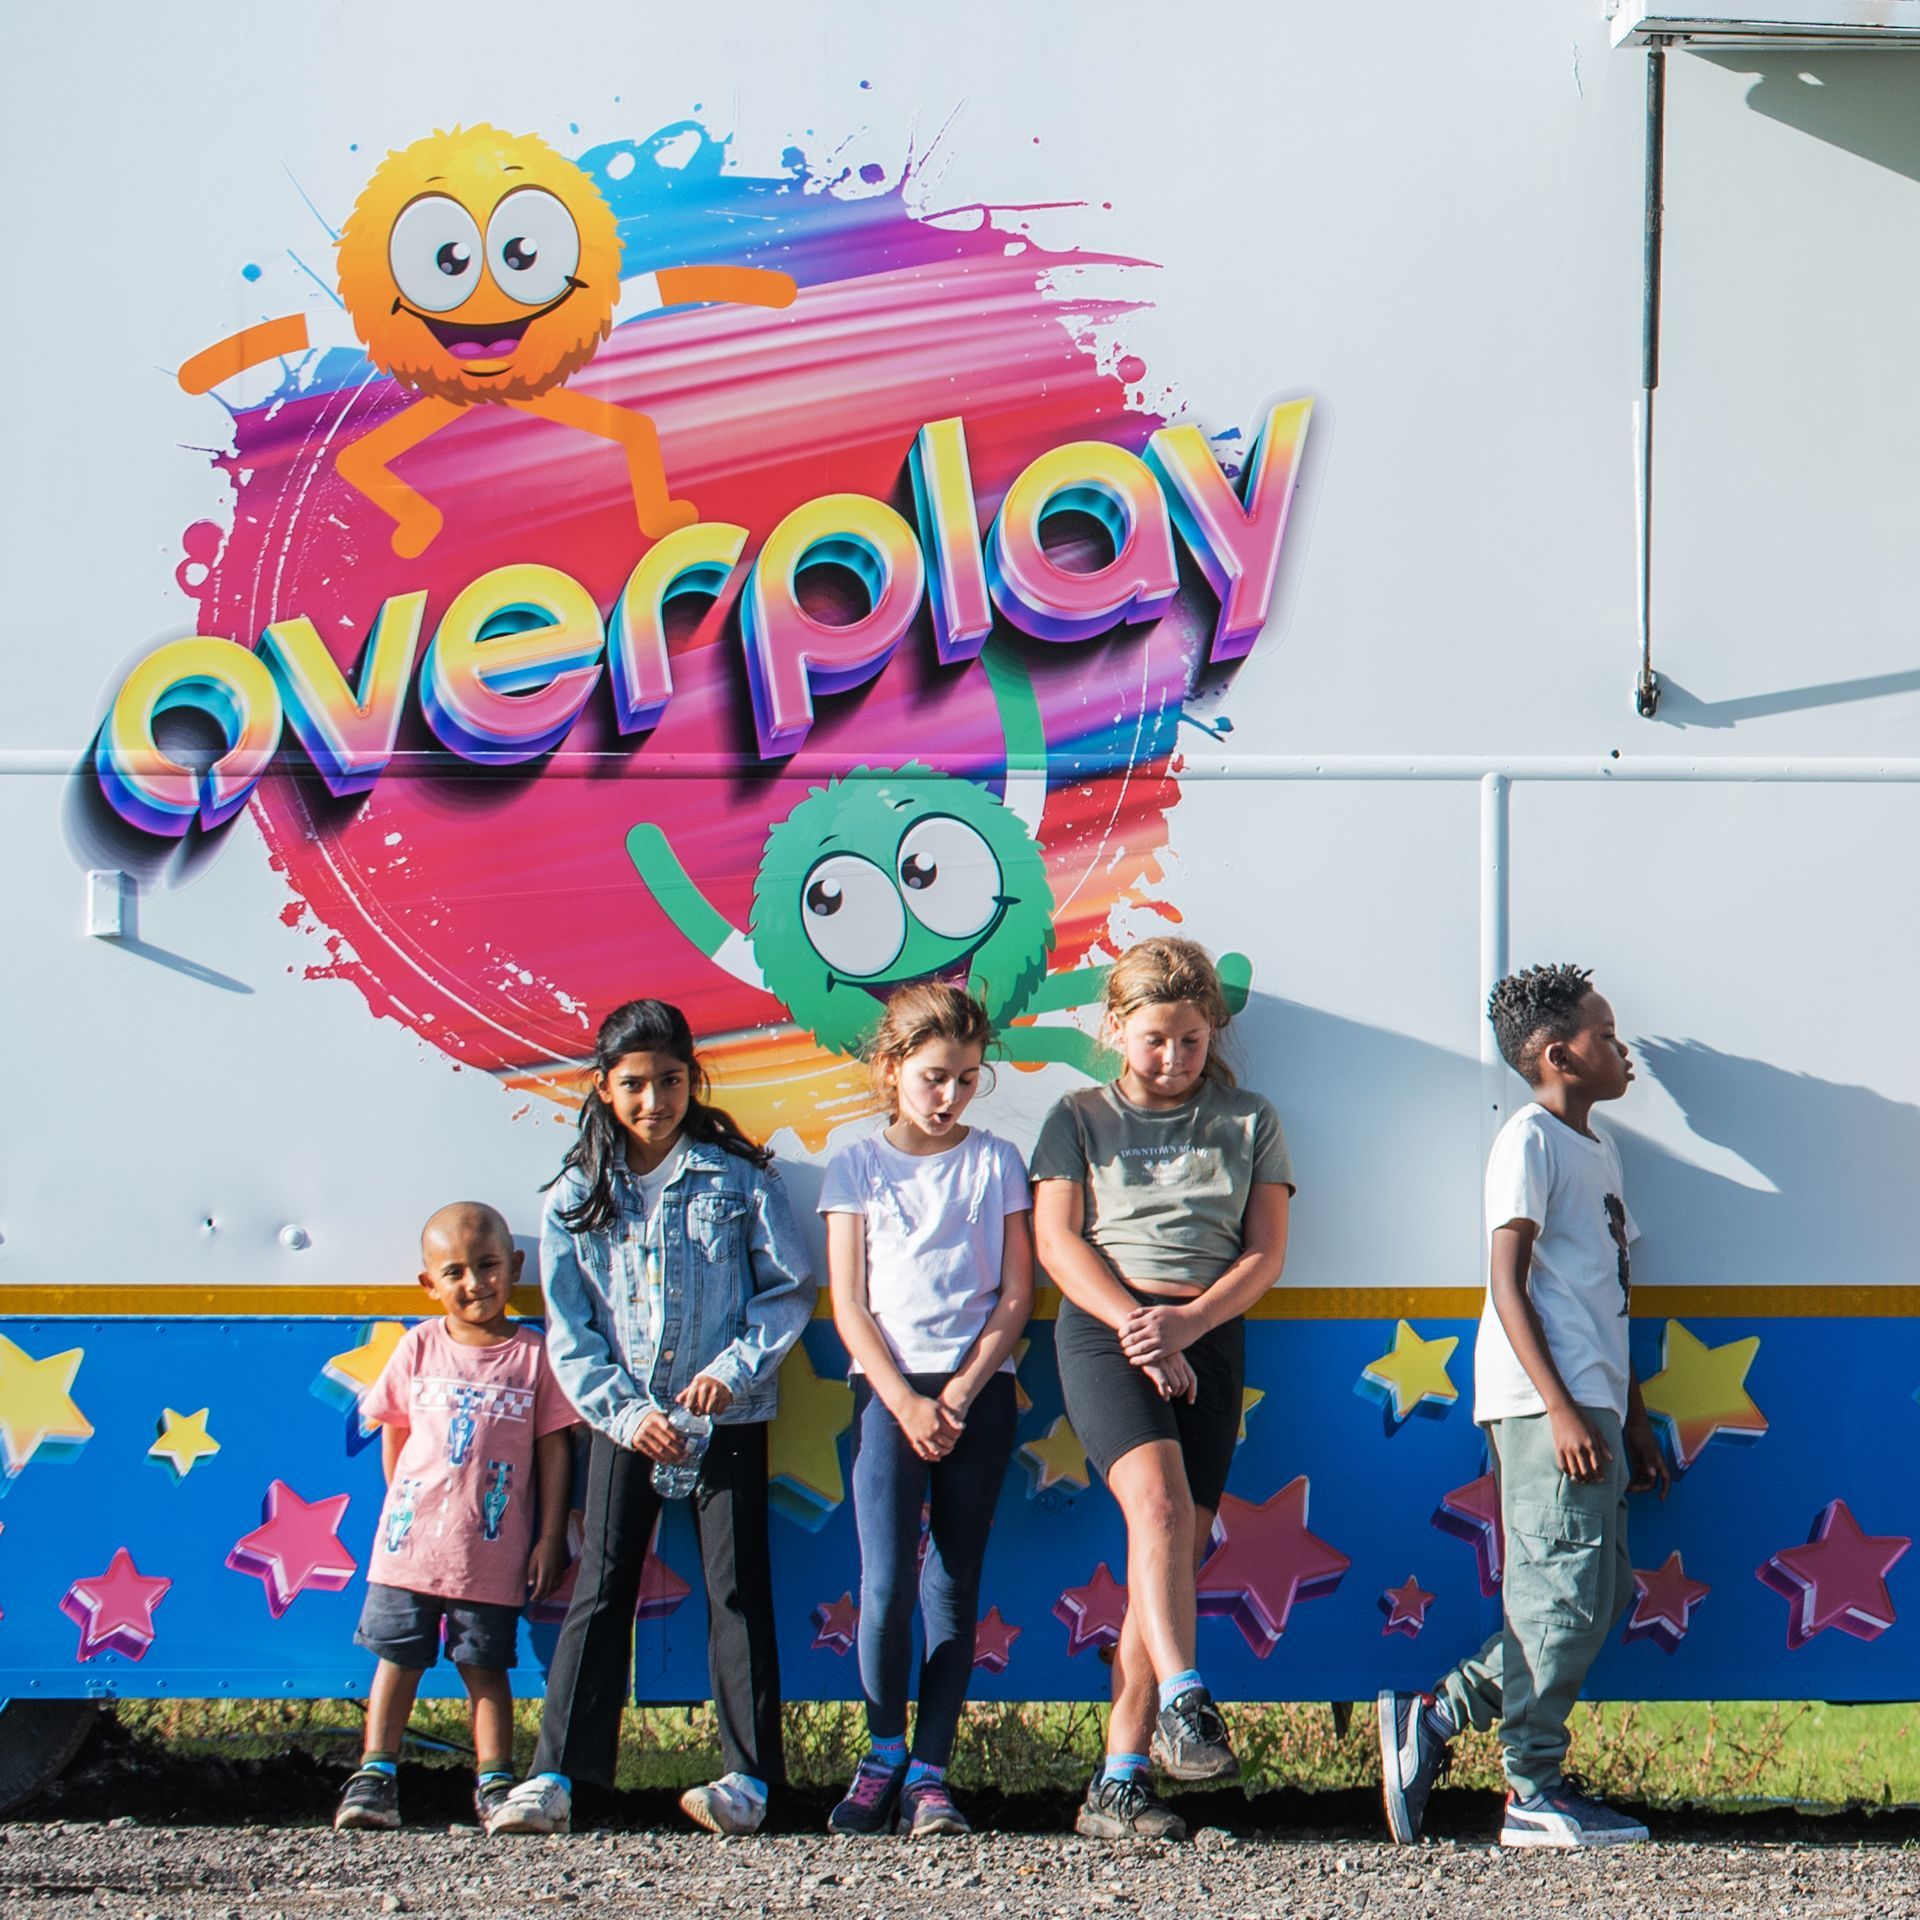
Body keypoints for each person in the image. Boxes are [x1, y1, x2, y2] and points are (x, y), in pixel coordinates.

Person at [488, 1000, 816, 1839]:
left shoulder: (739, 1177)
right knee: (600, 1586)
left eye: (669, 1081)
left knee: (736, 1589)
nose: (653, 1101)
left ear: (691, 1080)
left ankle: (749, 1779)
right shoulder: (574, 1197)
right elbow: (571, 1331)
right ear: (602, 1088)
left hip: (724, 1418)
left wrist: (729, 1373)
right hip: (626, 1425)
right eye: (633, 1084)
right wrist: (627, 1415)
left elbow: (786, 1292)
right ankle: (557, 1775)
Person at [1377, 964, 1669, 1850]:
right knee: (1560, 1596)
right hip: (1549, 1404)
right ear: (1557, 1056)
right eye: (1607, 1035)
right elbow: (1507, 1282)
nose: (1624, 1052)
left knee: (1597, 1589)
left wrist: (1633, 1411)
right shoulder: (1531, 1141)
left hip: (1592, 1399)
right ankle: (1530, 1791)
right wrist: (1563, 1408)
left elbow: (1604, 1293)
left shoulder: (1600, 1149)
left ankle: (1432, 1721)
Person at [1030, 938, 1294, 1842]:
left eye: (1189, 1040)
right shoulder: (1074, 1117)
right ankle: (1188, 1696)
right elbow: (1059, 1243)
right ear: (1115, 1029)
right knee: (1160, 1512)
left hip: (1207, 1333)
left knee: (1175, 1550)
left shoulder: (1250, 1118)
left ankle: (1120, 1779)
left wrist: (1187, 1326)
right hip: (1107, 1331)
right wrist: (1142, 1330)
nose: (1175, 1059)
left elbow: (1264, 1253)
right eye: (1154, 1040)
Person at [820, 984, 1034, 1839]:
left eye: (968, 1080)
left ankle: (932, 1774)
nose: (950, 1098)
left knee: (953, 1582)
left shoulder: (998, 1161)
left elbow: (1016, 1297)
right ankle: (881, 1755)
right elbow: (848, 1304)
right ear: (892, 1070)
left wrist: (957, 1393)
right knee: (886, 1584)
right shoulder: (854, 1166)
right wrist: (906, 1401)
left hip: (975, 1397)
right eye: (935, 1077)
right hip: (887, 1396)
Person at [333, 1202, 576, 1833]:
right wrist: (402, 1510)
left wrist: (550, 1536)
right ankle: (375, 1775)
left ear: (515, 1266)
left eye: (489, 1265)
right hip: (408, 1551)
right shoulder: (417, 1347)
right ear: (430, 1284)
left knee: (485, 1667)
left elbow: (554, 1450)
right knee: (397, 1659)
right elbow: (396, 1433)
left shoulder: (534, 1357)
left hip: (491, 1556)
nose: (475, 1283)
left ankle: (496, 1783)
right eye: (456, 1271)